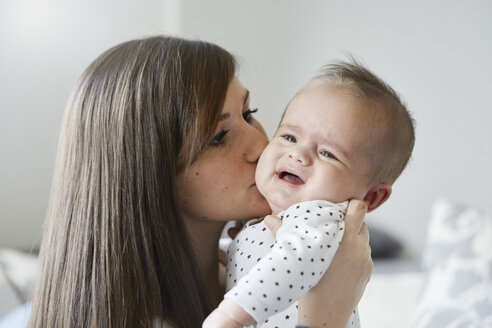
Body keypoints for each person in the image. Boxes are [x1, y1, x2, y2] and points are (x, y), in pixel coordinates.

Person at [27, 36, 373, 328]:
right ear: (150, 174)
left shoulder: (257, 267)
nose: (261, 145)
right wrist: (328, 312)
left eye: (248, 114)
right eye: (219, 137)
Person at [204, 60, 415, 327]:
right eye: (290, 137)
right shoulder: (282, 220)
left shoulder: (320, 216)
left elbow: (294, 262)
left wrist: (232, 314)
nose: (298, 155)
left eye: (328, 154)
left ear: (372, 197)